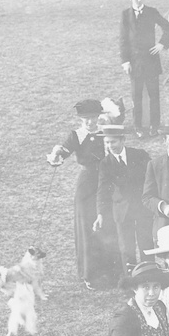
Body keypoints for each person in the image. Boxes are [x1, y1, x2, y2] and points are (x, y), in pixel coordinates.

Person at [47, 99, 115, 289]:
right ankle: (89, 273)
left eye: (93, 118)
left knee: (107, 222)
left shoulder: (105, 133)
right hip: (86, 187)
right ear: (81, 120)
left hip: (105, 182)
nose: (90, 122)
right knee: (86, 226)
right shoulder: (77, 135)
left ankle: (109, 269)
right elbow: (63, 151)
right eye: (86, 119)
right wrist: (56, 154)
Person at [94, 124, 152, 280]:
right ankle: (131, 281)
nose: (110, 146)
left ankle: (150, 277)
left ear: (123, 140)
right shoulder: (105, 164)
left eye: (113, 142)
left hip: (142, 210)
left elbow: (152, 179)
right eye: (107, 143)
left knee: (146, 244)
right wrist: (100, 213)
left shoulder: (140, 155)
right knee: (127, 249)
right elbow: (102, 190)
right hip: (121, 212)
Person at [120, 0, 169, 138]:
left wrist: (162, 44)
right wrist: (125, 61)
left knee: (153, 96)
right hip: (134, 63)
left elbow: (168, 27)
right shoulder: (125, 15)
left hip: (151, 61)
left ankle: (154, 126)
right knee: (136, 96)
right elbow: (123, 40)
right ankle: (138, 127)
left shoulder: (151, 12)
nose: (138, 0)